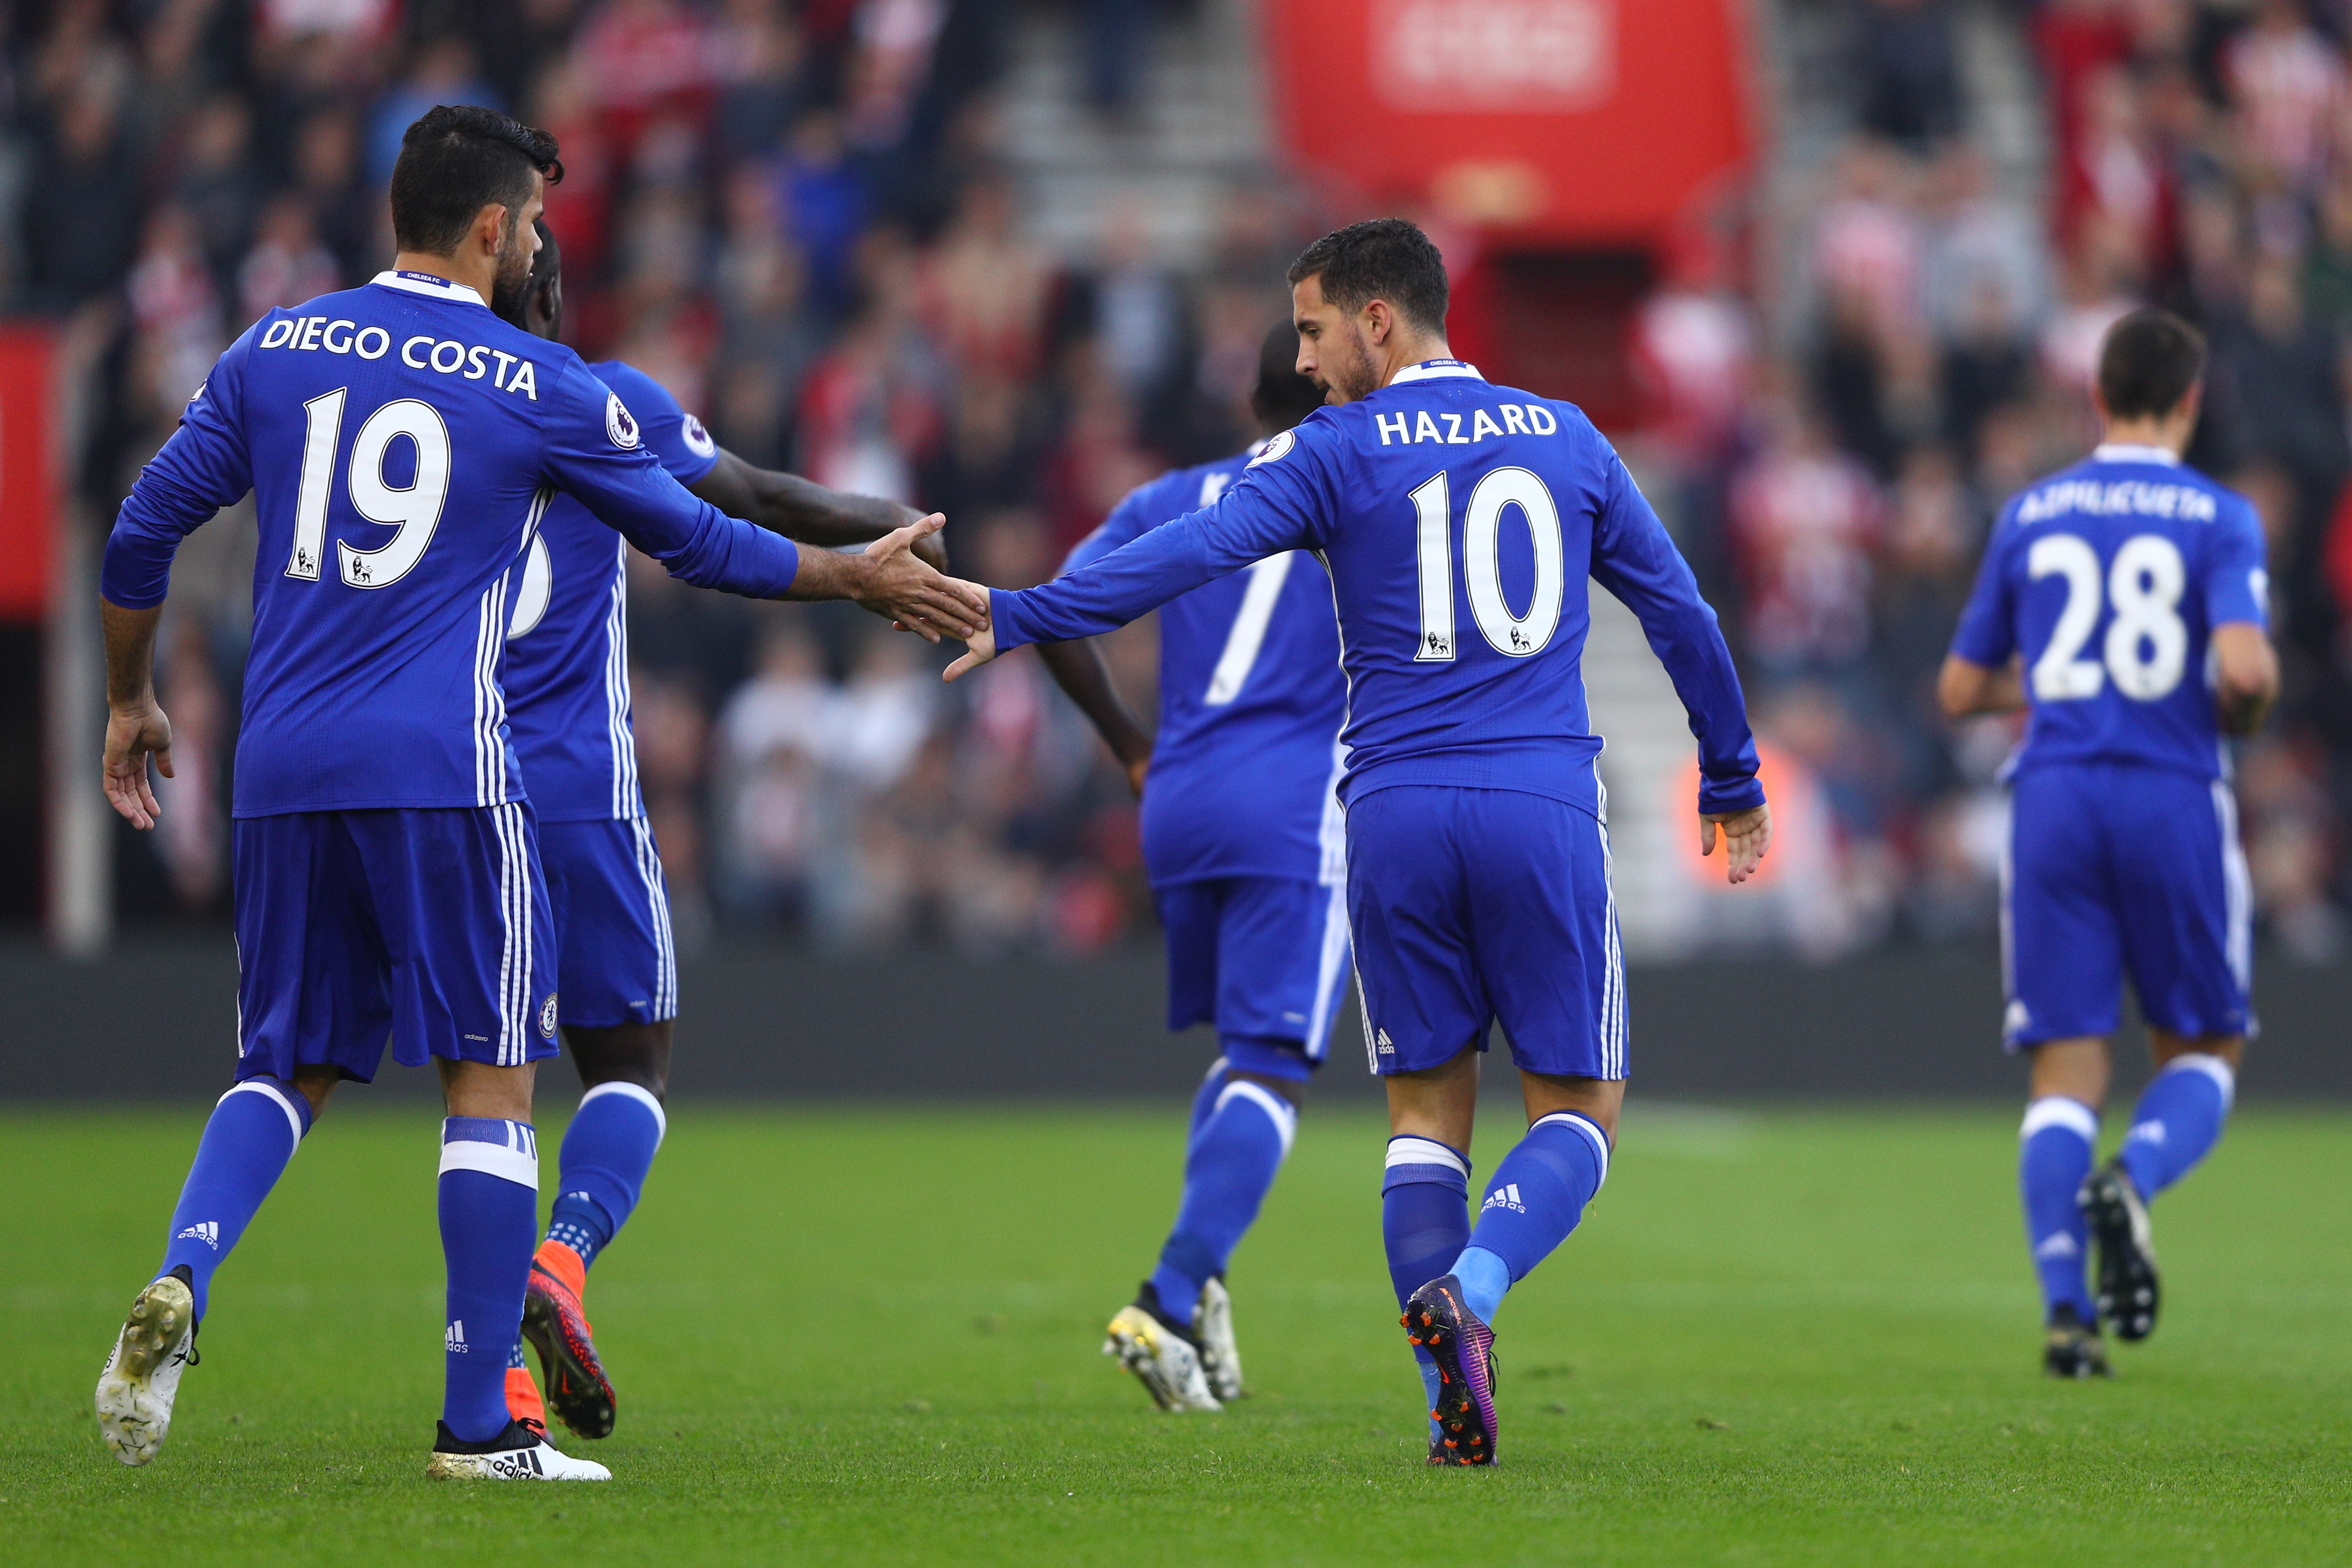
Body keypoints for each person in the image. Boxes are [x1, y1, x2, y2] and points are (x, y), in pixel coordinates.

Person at [91, 105, 983, 1482]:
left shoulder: (276, 347)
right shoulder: (534, 382)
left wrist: (132, 697)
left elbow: (144, 527)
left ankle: (182, 1276)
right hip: (449, 766)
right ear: (497, 229)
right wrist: (852, 574)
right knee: (494, 1077)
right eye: (539, 227)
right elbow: (704, 538)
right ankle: (478, 1425)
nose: (542, 248)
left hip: (278, 764)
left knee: (283, 1065)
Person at [937, 219, 1770, 1464]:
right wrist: (1731, 774)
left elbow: (1185, 552)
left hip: (1389, 817)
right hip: (1537, 803)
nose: (1308, 363)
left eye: (1316, 331)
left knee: (1424, 1115)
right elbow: (1681, 611)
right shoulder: (1567, 437)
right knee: (1581, 1110)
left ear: (1379, 320)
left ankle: (1446, 1392)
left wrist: (1017, 613)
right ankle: (1474, 1298)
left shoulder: (1336, 446)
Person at [490, 219, 943, 1442]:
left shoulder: (424, 409)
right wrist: (888, 521)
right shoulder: (607, 399)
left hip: (453, 790)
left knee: (488, 1094)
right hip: (581, 783)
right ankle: (564, 1264)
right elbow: (745, 498)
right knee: (631, 1067)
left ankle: (497, 1385)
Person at [1939, 308, 2276, 1379]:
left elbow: (1956, 690)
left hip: (2052, 800)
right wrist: (2238, 710)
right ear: (2190, 400)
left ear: (2097, 397)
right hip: (2170, 791)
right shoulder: (2219, 516)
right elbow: (2249, 673)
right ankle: (2132, 1183)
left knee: (2063, 1070)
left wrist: (2057, 680)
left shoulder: (2033, 512)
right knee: (2204, 1049)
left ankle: (2065, 1317)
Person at [1035, 322, 1345, 1412]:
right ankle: (1167, 1299)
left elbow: (1062, 612)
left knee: (1240, 1051)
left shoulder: (1175, 496)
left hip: (1180, 797)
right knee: (1273, 1063)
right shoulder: (1365, 489)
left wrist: (1128, 744)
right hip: (1294, 805)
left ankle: (1202, 1280)